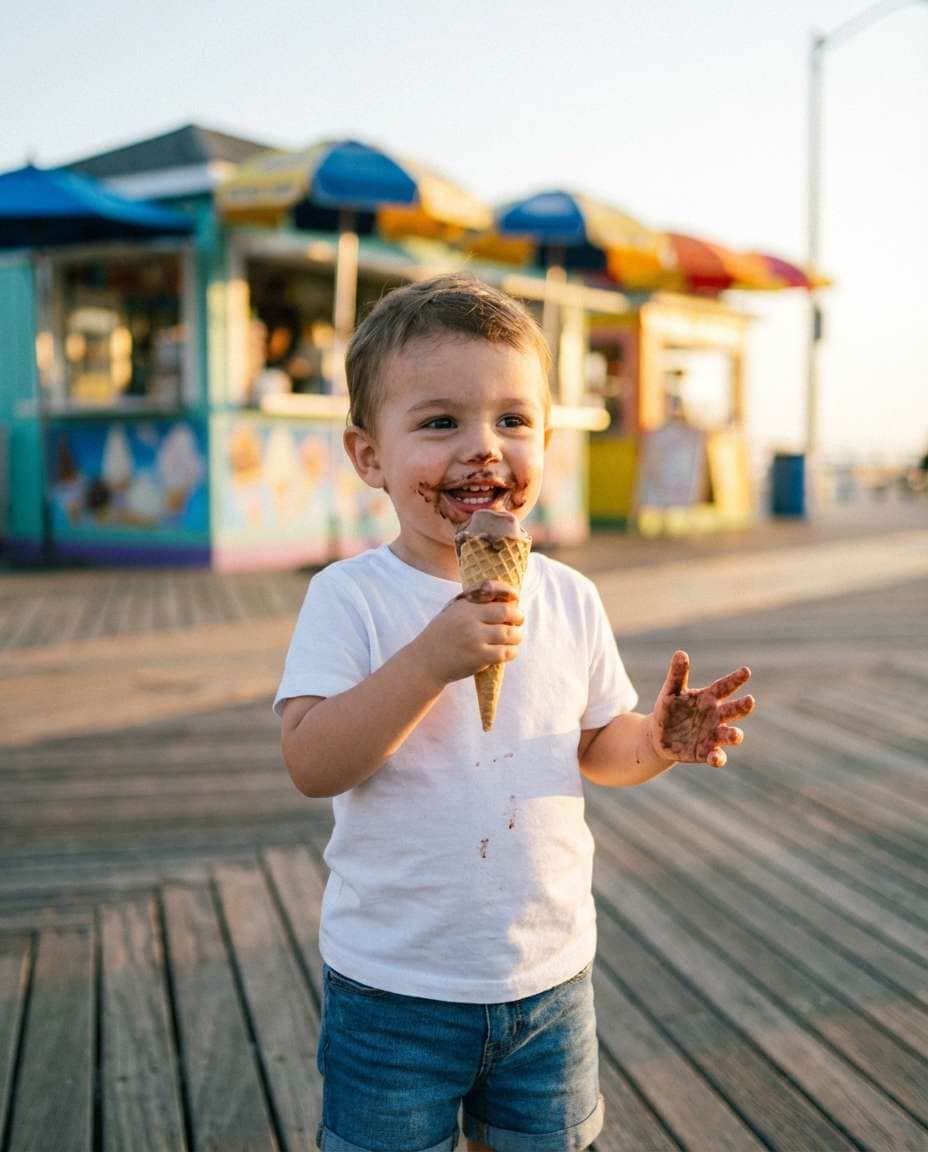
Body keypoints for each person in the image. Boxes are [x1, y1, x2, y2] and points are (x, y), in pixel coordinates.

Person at [275, 274, 755, 1152]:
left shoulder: (569, 597)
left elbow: (595, 748)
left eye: (513, 420)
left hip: (549, 980)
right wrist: (428, 660)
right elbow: (311, 762)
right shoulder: (352, 599)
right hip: (395, 990)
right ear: (368, 455)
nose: (483, 449)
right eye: (439, 422)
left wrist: (653, 739)